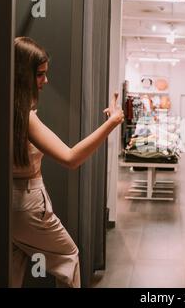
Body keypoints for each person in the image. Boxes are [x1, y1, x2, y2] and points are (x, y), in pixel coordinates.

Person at [12, 37, 124, 288]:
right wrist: (112, 122)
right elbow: (71, 158)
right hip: (28, 202)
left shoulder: (0, 109)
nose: (45, 81)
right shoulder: (25, 117)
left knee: (12, 269)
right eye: (40, 75)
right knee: (68, 257)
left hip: (5, 204)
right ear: (22, 75)